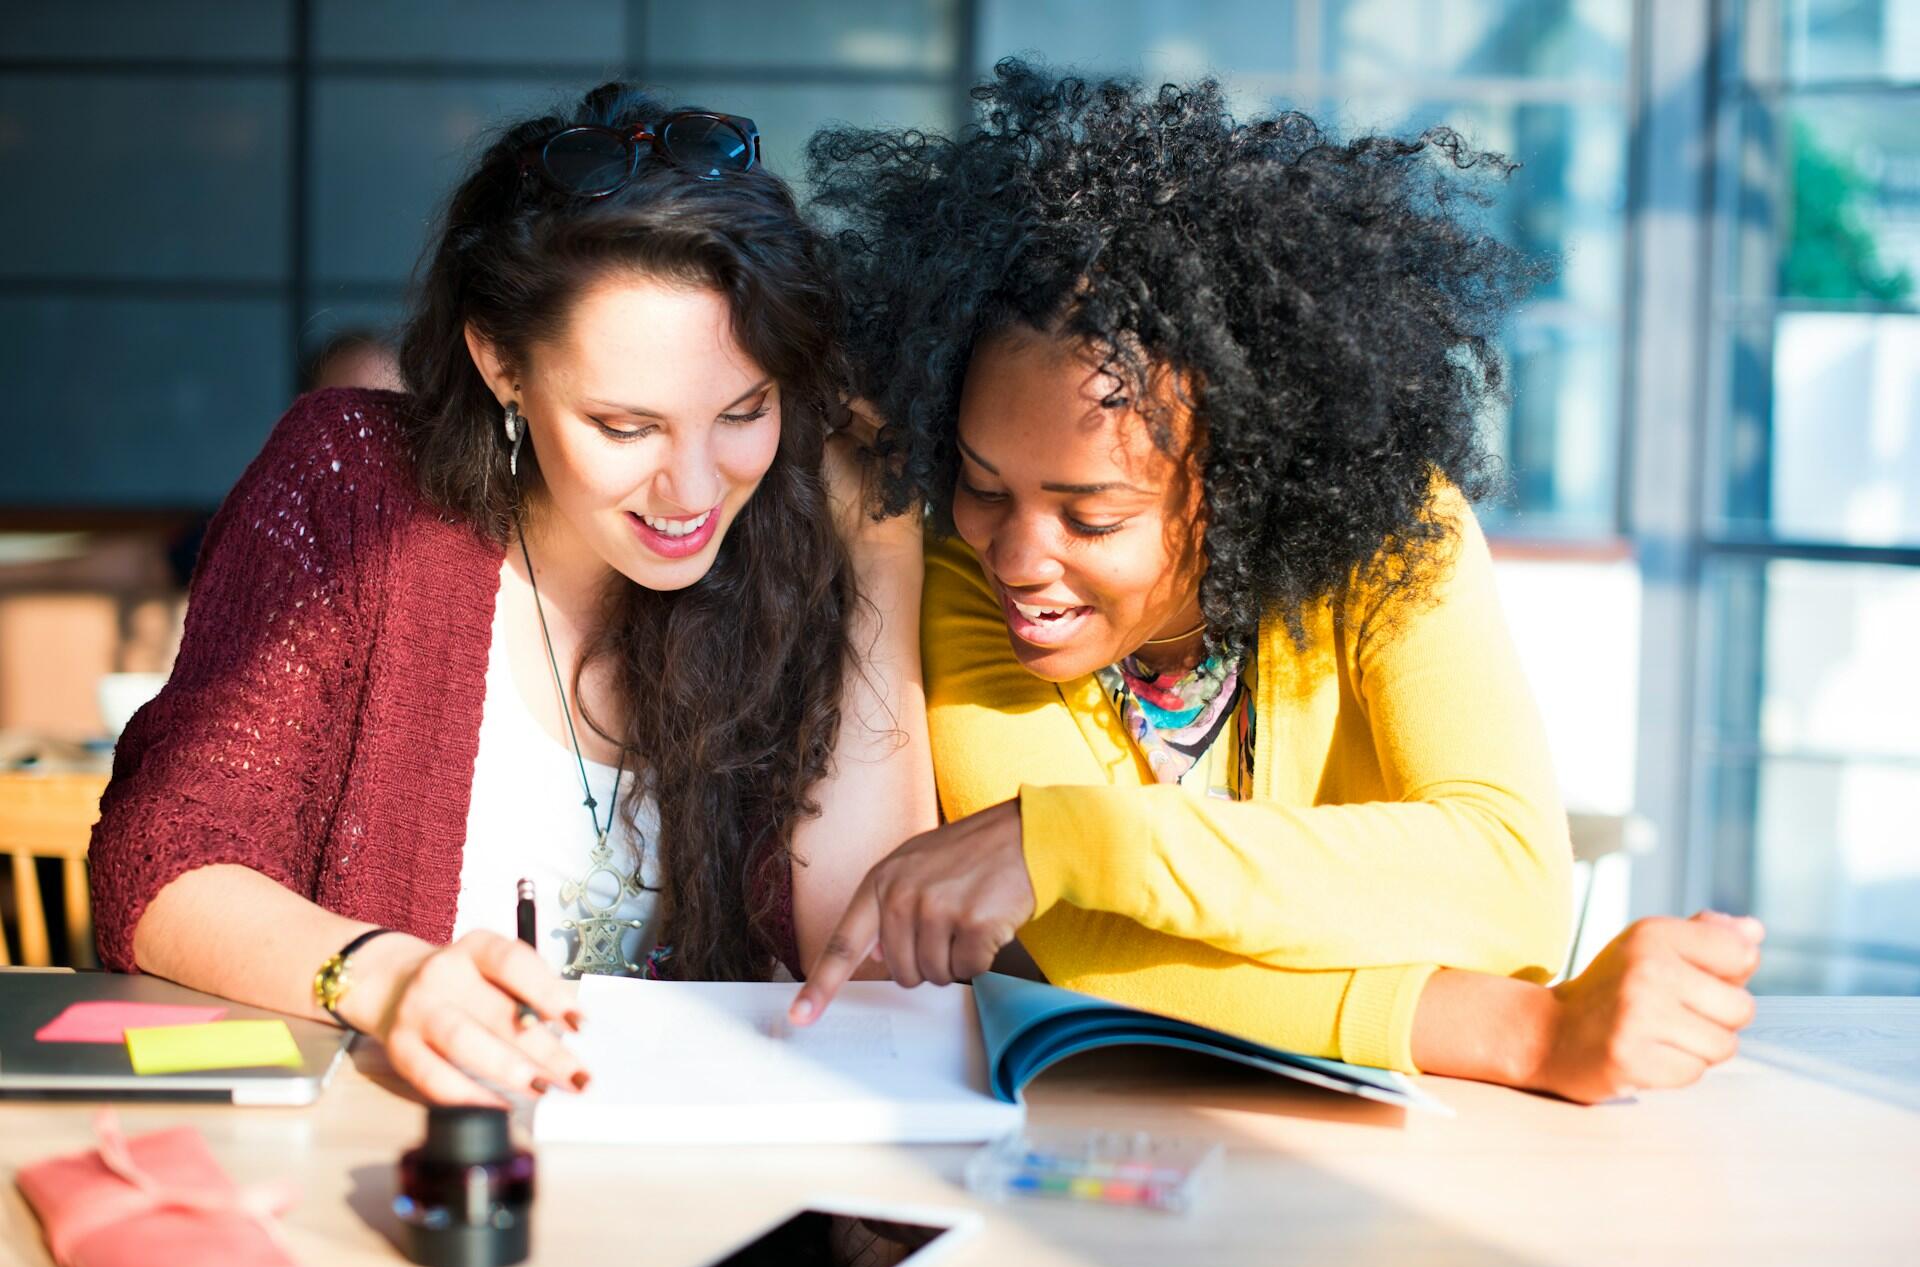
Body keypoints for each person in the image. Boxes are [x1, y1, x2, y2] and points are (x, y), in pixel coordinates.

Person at [790, 62, 1762, 1104]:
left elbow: (1510, 886)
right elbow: (1095, 954)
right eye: (982, 486)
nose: (1018, 559)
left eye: (1094, 516)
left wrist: (1069, 835)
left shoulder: (1399, 538)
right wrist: (1525, 1035)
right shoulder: (964, 579)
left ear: (1247, 483)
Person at [89, 83, 932, 1106]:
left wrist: (882, 559)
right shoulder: (354, 488)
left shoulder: (790, 537)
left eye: (745, 411)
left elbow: (871, 967)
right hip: (415, 1185)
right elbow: (163, 866)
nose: (698, 489)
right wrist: (395, 982)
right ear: (500, 363)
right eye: (627, 427)